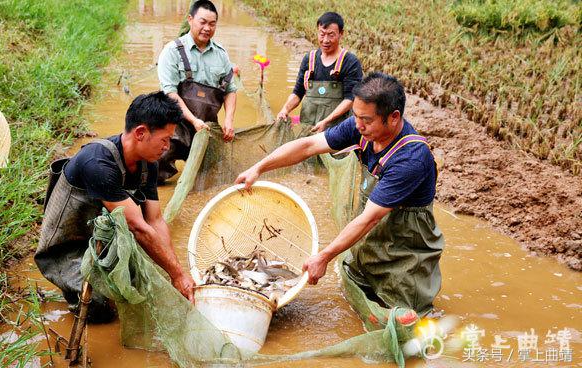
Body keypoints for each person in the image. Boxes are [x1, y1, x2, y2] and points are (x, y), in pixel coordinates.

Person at [237, 72, 444, 315]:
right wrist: (258, 168)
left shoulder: (410, 159)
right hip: (371, 241)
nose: (358, 125)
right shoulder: (361, 128)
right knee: (356, 300)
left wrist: (323, 256)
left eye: (366, 119)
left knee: (406, 321)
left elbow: (370, 218)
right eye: (355, 116)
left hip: (406, 253)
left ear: (394, 117)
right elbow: (308, 146)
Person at [36, 92, 196, 323]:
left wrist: (176, 272)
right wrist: (177, 275)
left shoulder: (147, 163)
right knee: (99, 309)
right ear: (141, 133)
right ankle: (72, 289)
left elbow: (155, 221)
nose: (167, 147)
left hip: (105, 240)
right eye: (165, 139)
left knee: (149, 281)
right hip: (68, 249)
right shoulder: (97, 163)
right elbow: (138, 228)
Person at [157, 0, 237, 183]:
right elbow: (169, 93)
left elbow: (230, 90)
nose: (207, 28)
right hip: (175, 125)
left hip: (207, 127)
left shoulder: (221, 54)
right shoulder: (172, 51)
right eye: (202, 22)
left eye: (212, 23)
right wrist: (193, 120)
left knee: (212, 178)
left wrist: (229, 120)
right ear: (190, 20)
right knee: (155, 170)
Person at [276, 12, 363, 133]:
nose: (325, 40)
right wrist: (285, 109)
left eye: (331, 35)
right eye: (322, 34)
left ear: (341, 34)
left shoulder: (350, 62)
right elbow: (298, 92)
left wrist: (326, 121)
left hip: (336, 130)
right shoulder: (309, 59)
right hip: (308, 128)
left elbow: (350, 99)